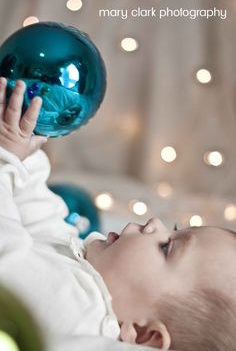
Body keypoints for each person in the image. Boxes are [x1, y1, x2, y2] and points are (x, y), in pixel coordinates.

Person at [0, 78, 236, 351]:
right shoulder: (84, 271)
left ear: (144, 334)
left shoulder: (80, 311)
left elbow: (6, 258)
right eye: (172, 228)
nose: (154, 223)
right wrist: (24, 150)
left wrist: (7, 159)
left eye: (167, 246)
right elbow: (39, 214)